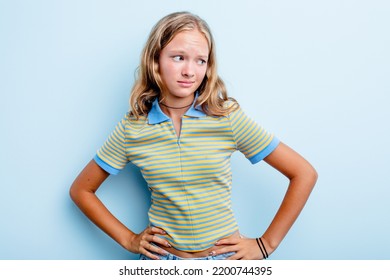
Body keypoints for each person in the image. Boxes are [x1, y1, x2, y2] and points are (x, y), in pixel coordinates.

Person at [69, 11, 317, 260]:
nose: (190, 71)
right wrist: (128, 239)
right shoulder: (132, 128)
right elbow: (81, 190)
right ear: (155, 60)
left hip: (225, 262)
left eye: (200, 61)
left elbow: (304, 173)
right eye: (179, 58)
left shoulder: (226, 117)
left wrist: (266, 244)